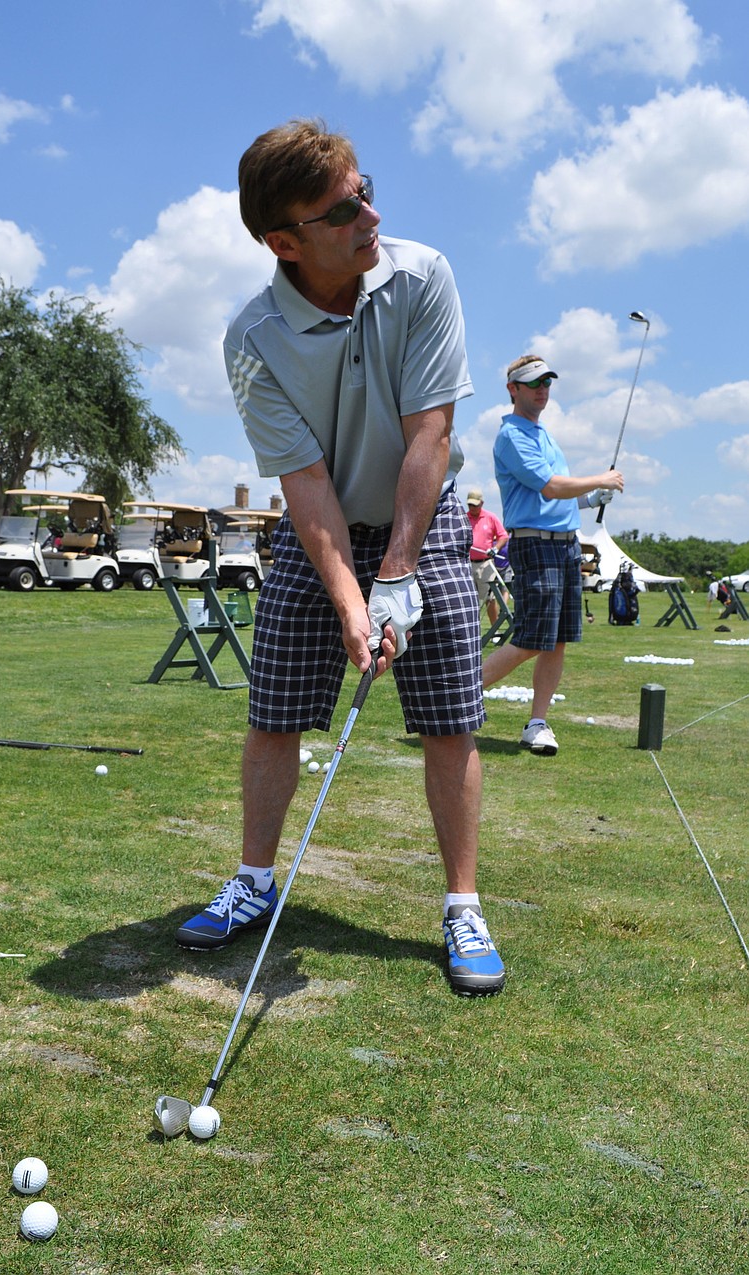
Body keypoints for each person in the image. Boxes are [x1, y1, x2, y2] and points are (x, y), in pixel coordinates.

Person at [175, 118, 505, 996]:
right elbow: (307, 483)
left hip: (422, 516)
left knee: (450, 718)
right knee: (274, 711)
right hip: (316, 528)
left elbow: (431, 435)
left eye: (365, 192)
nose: (371, 216)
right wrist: (353, 603)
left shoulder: (423, 275)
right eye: (342, 211)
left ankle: (464, 904)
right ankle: (254, 882)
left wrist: (395, 573)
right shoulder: (253, 339)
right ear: (285, 242)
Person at [481, 355, 624, 756]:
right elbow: (549, 486)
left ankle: (537, 724)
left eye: (547, 381)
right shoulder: (512, 436)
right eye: (533, 382)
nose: (542, 389)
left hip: (565, 545)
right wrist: (599, 479)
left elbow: (558, 497)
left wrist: (592, 498)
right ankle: (456, 697)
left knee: (557, 640)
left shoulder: (544, 435)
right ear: (513, 389)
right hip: (535, 545)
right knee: (531, 638)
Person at [464, 489, 508, 625]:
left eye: (475, 505)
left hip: (486, 563)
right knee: (468, 598)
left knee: (490, 598)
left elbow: (503, 536)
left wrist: (495, 548)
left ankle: (494, 629)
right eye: (470, 505)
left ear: (481, 503)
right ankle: (470, 628)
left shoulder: (490, 517)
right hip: (467, 563)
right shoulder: (464, 518)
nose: (472, 508)